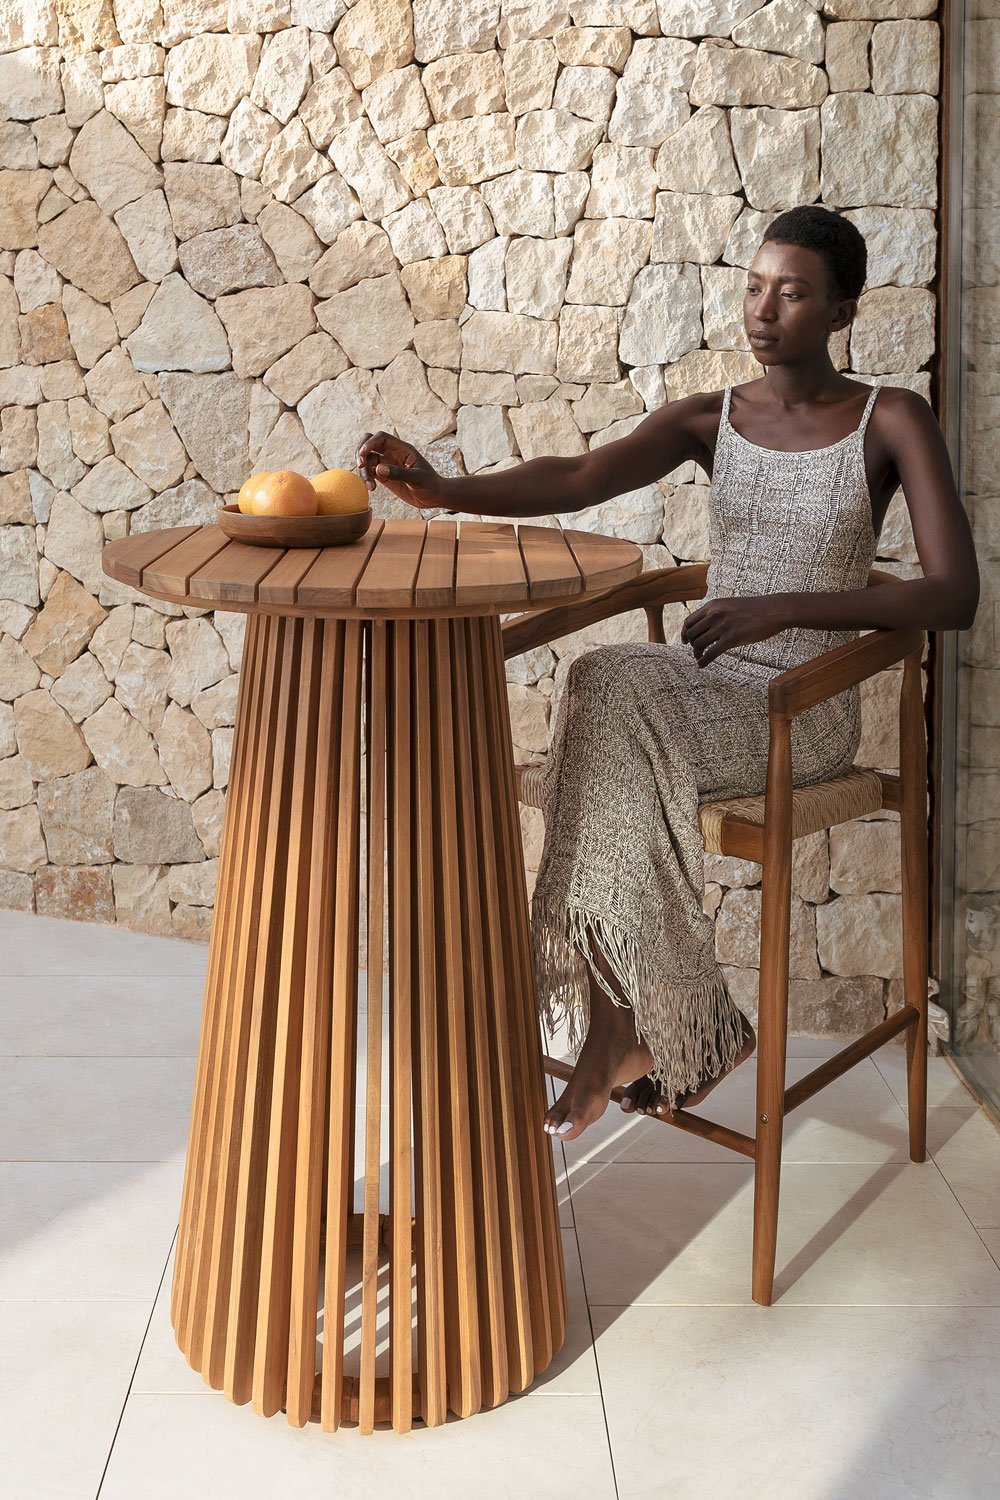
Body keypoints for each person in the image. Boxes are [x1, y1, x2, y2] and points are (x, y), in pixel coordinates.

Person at [355, 203, 979, 1144]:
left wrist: (784, 607)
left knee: (606, 727)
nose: (765, 310)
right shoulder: (711, 417)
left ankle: (643, 1029)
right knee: (605, 680)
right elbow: (577, 477)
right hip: (707, 695)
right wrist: (442, 491)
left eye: (795, 293)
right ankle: (660, 1028)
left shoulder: (890, 418)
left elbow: (953, 593)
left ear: (842, 312)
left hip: (800, 711)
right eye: (755, 287)